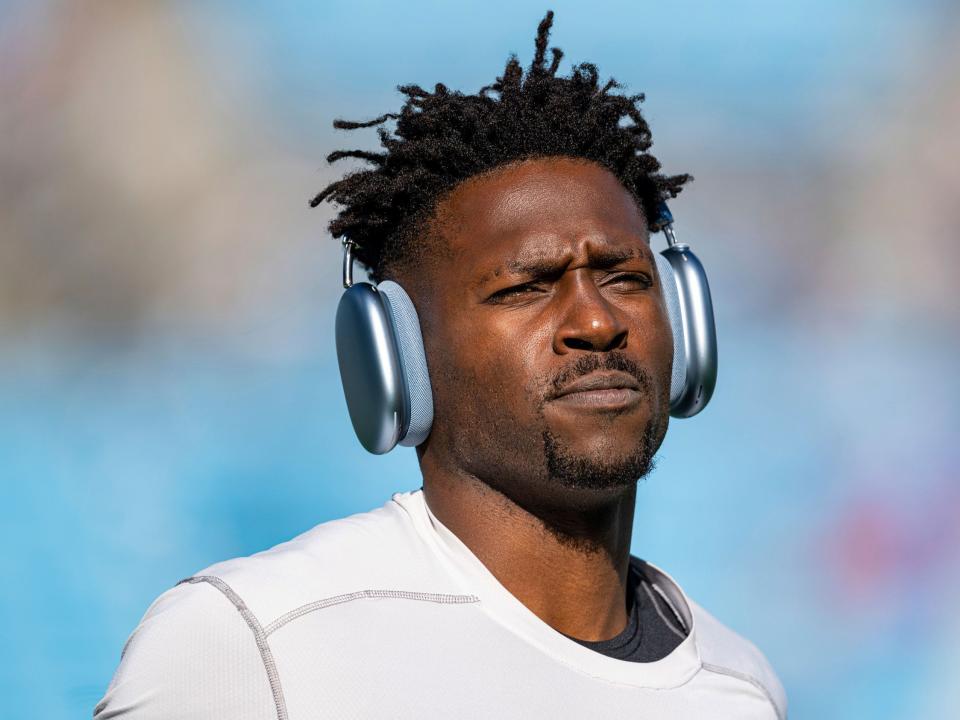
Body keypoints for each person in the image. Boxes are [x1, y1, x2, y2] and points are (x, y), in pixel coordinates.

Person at [95, 11, 786, 719]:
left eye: (624, 277)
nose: (596, 322)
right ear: (394, 356)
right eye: (526, 287)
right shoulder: (251, 644)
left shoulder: (740, 686)